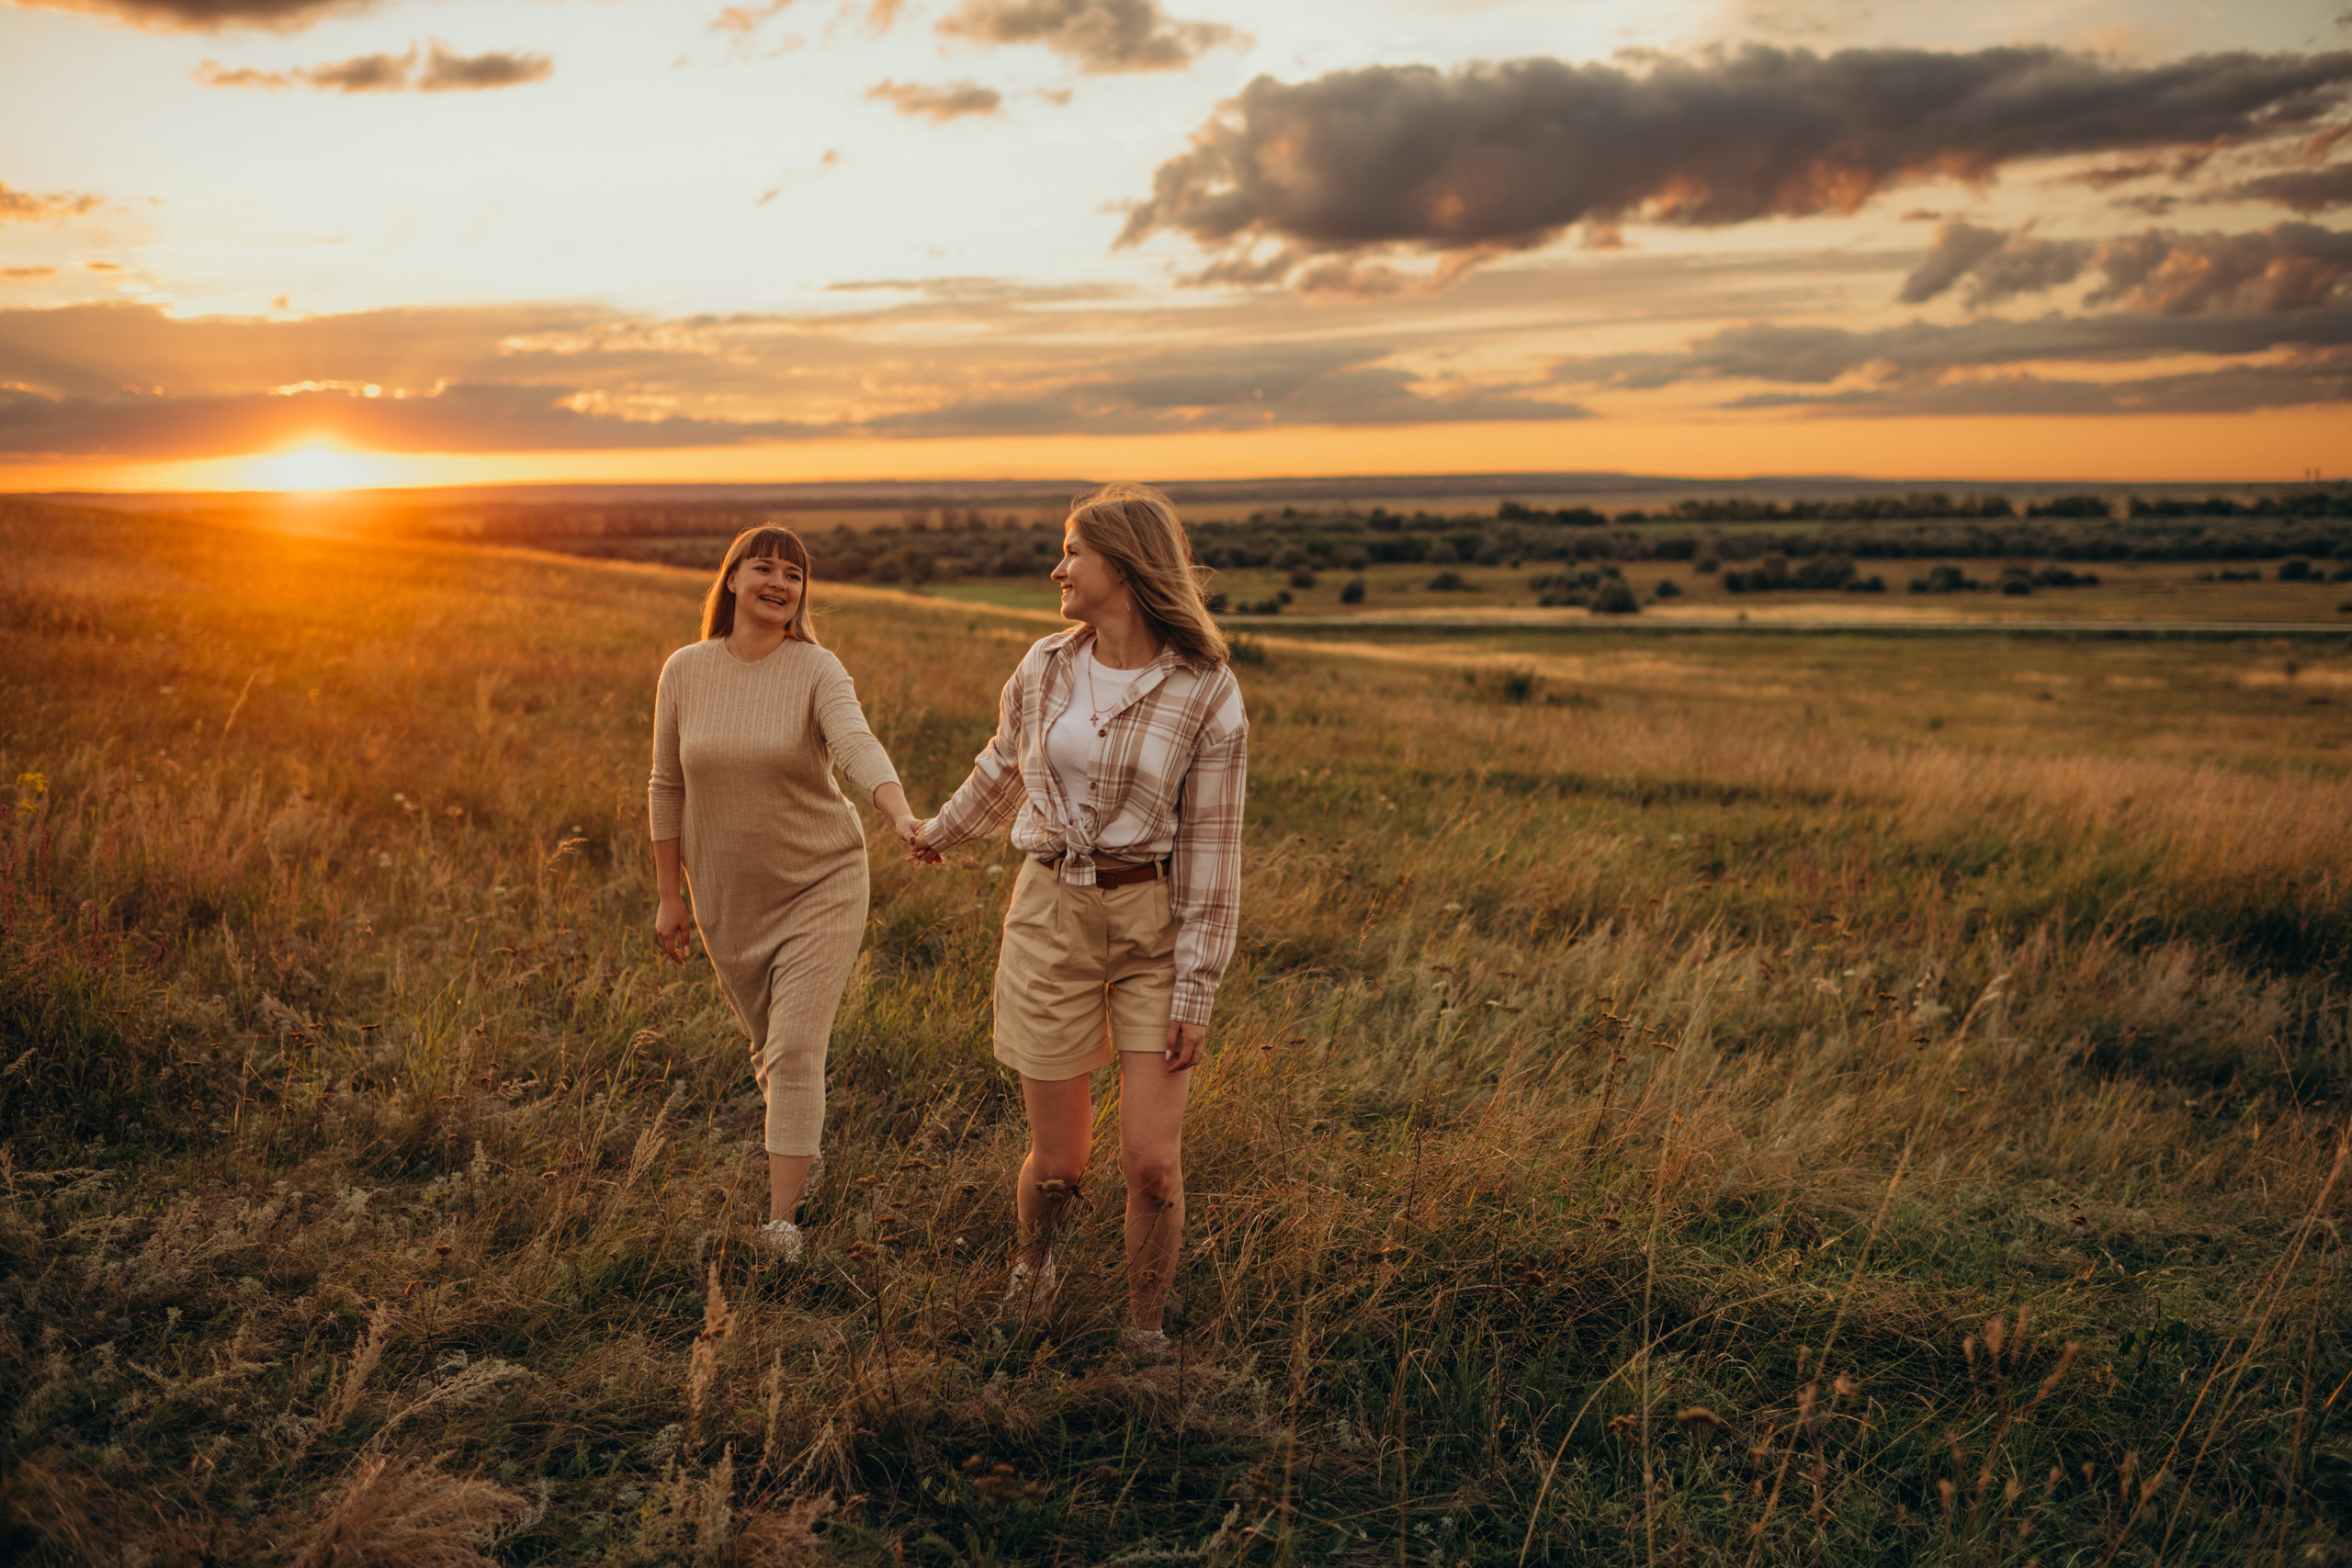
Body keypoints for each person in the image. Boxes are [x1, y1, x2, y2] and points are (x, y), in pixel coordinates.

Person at [915, 482, 1248, 1357]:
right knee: (1059, 1164)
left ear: (1126, 566)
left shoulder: (1207, 690)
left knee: (1152, 1163)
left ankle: (1145, 1332)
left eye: (1072, 551)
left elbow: (1215, 845)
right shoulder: (1045, 666)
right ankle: (1036, 1269)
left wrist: (1198, 985)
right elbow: (1002, 767)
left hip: (1156, 924)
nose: (1056, 567)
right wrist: (937, 832)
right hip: (1048, 912)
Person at [648, 524, 923, 1263]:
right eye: (763, 567)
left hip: (821, 879)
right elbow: (666, 783)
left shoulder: (816, 668)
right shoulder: (684, 669)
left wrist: (897, 812)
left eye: (794, 574)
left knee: (796, 1046)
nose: (779, 583)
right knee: (770, 1050)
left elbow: (856, 742)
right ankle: (804, 1151)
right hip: (726, 896)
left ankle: (782, 1228)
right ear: (731, 579)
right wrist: (669, 895)